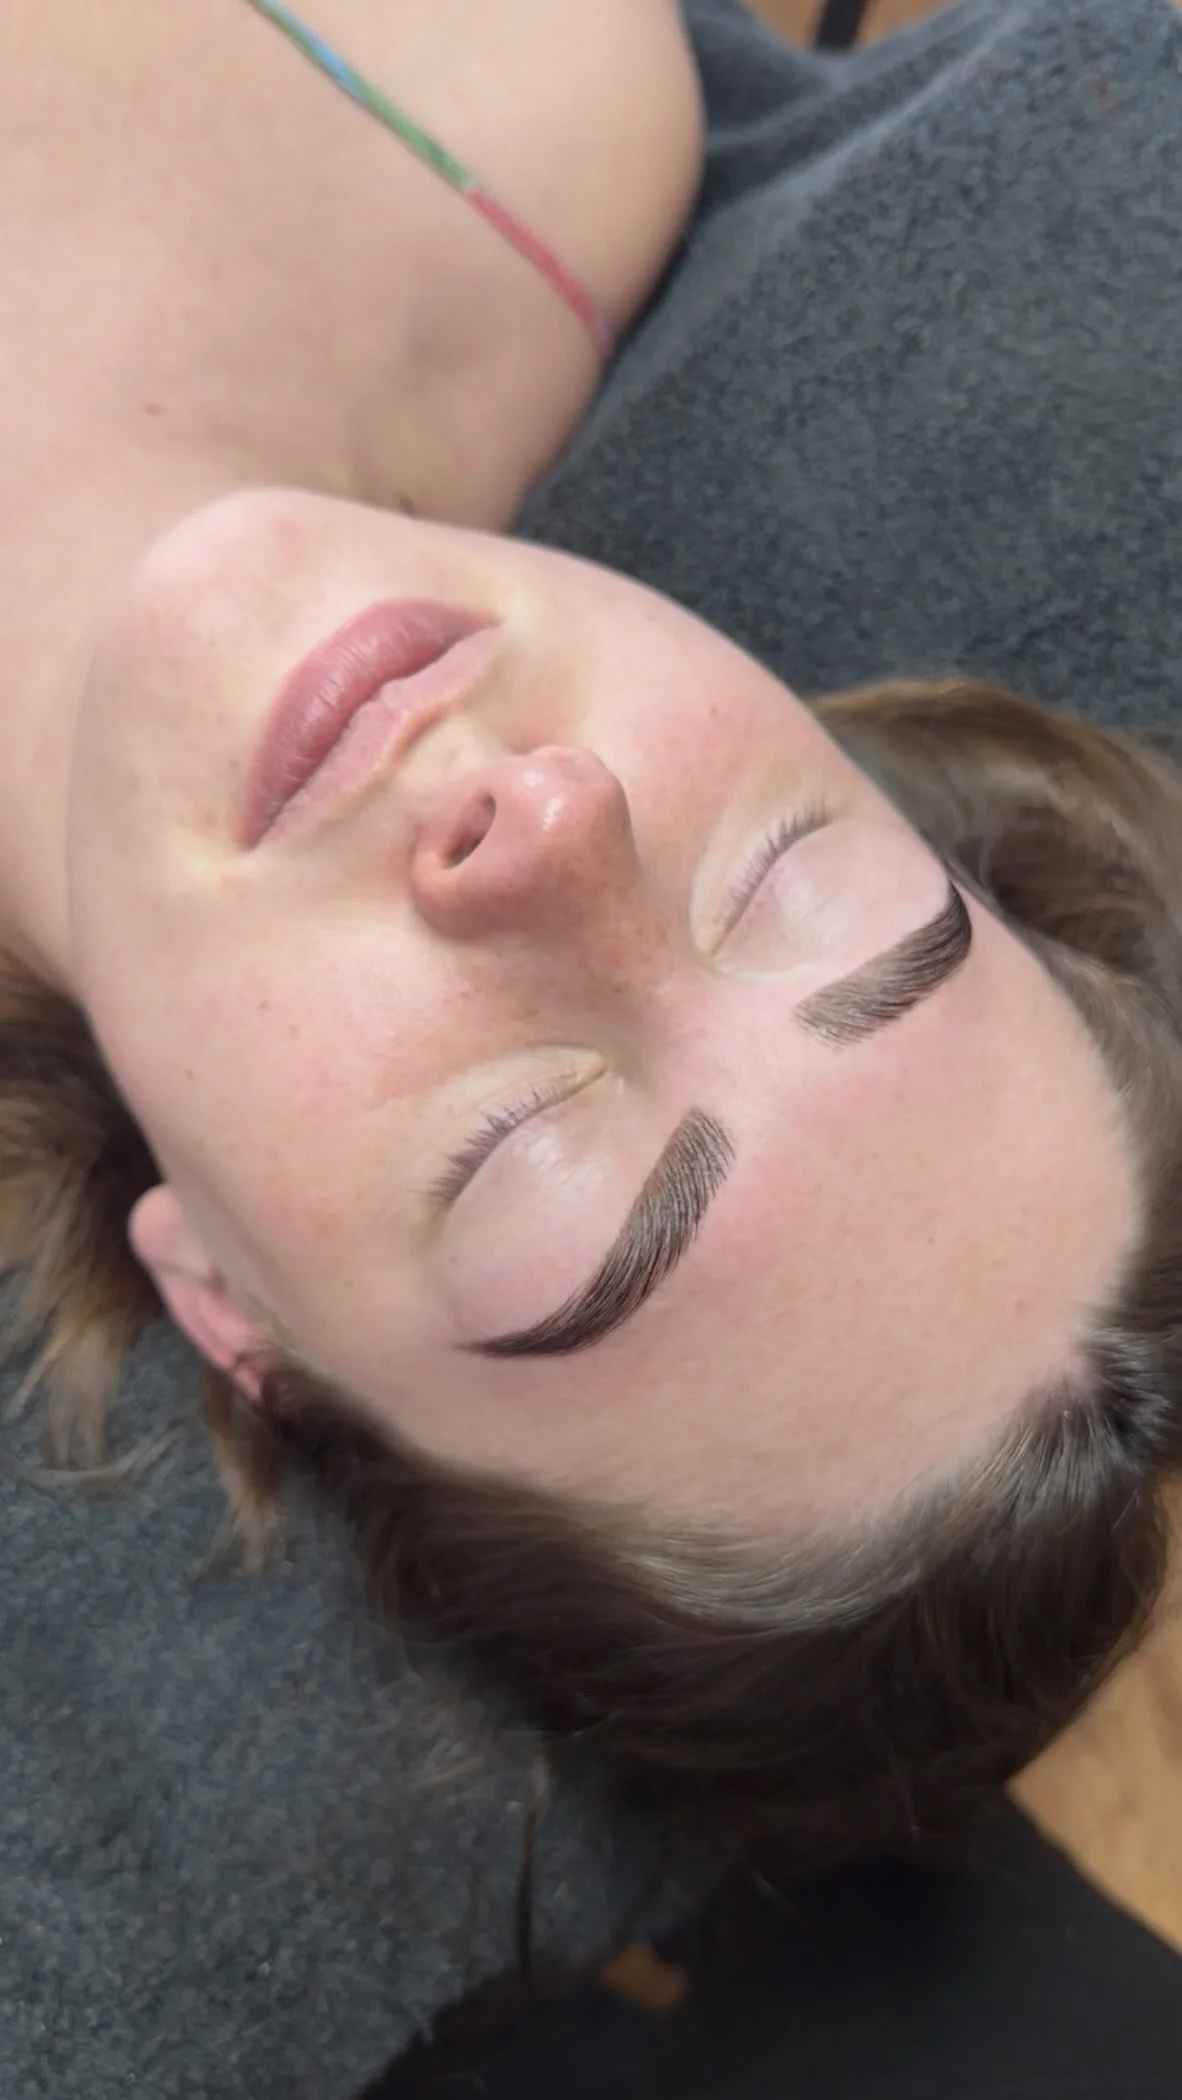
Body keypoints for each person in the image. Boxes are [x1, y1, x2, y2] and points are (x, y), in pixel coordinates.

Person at [4, 1, 1182, 2093]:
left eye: (531, 1149)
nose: (552, 833)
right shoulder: (541, 98)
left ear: (233, 1310)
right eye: (791, 879)